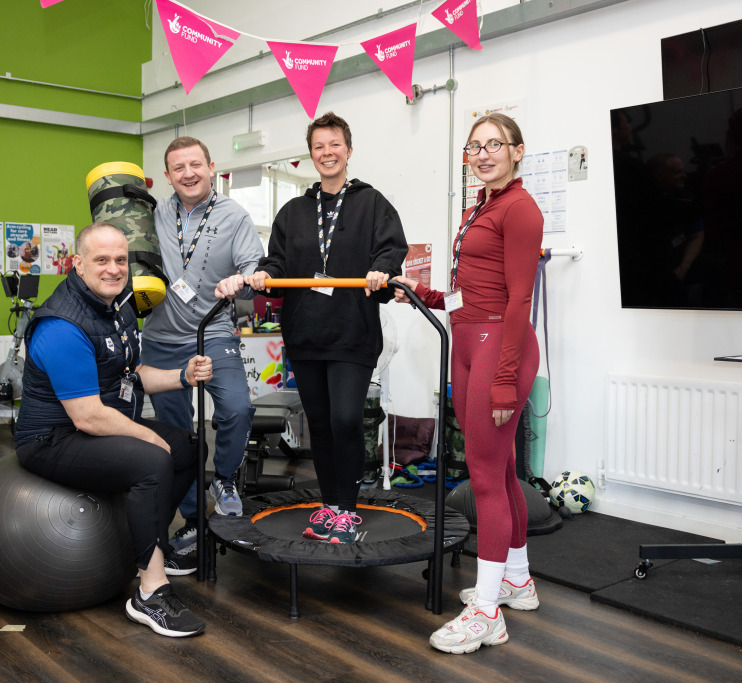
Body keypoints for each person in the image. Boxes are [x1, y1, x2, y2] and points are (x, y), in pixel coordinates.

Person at [14, 221, 212, 638]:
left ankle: (149, 546)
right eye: (101, 260)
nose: (113, 269)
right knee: (154, 457)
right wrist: (149, 437)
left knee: (190, 447)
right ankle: (150, 592)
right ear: (78, 264)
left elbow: (131, 372)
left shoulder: (117, 304)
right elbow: (87, 415)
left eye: (120, 260)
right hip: (52, 439)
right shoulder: (61, 325)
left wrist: (182, 375)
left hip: (94, 425)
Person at [393, 112, 543, 654]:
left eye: (494, 145)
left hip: (500, 349)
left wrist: (504, 383)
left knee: (483, 477)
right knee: (499, 469)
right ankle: (517, 580)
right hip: (469, 342)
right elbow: (471, 290)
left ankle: (486, 614)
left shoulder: (520, 208)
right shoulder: (480, 206)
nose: (482, 154)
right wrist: (424, 295)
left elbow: (518, 300)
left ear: (517, 151)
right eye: (474, 147)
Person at [222, 111, 407, 544]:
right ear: (311, 154)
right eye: (319, 146)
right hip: (305, 335)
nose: (327, 152)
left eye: (335, 144)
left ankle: (348, 506)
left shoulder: (372, 203)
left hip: (353, 333)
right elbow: (278, 261)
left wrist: (381, 271)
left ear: (349, 150)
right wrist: (266, 274)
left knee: (346, 419)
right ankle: (330, 505)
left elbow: (390, 250)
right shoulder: (293, 211)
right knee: (320, 425)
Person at [141, 136, 265, 556]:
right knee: (179, 436)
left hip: (213, 331)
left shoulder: (235, 215)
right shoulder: (154, 213)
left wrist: (244, 278)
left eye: (196, 164)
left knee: (237, 408)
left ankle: (225, 477)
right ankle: (194, 521)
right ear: (168, 175)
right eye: (179, 168)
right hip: (160, 339)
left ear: (212, 167)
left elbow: (254, 265)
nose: (189, 174)